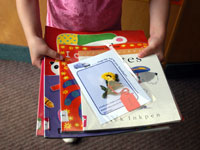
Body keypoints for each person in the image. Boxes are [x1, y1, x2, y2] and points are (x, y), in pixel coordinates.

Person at [16, 0, 170, 143]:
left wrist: (158, 34)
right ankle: (72, 124)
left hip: (108, 40)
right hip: (61, 41)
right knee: (69, 88)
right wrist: (32, 37)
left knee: (104, 85)